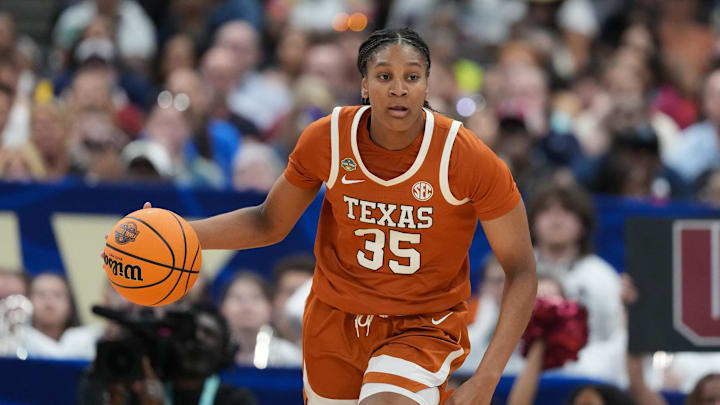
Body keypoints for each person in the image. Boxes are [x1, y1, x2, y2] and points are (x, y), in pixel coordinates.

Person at [142, 27, 537, 405]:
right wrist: (181, 232)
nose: (398, 88)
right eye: (384, 76)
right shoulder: (326, 138)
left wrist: (486, 378)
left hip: (421, 325)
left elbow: (521, 269)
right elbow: (268, 222)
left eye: (412, 76)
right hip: (334, 321)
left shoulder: (466, 157)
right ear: (364, 84)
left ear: (427, 85)